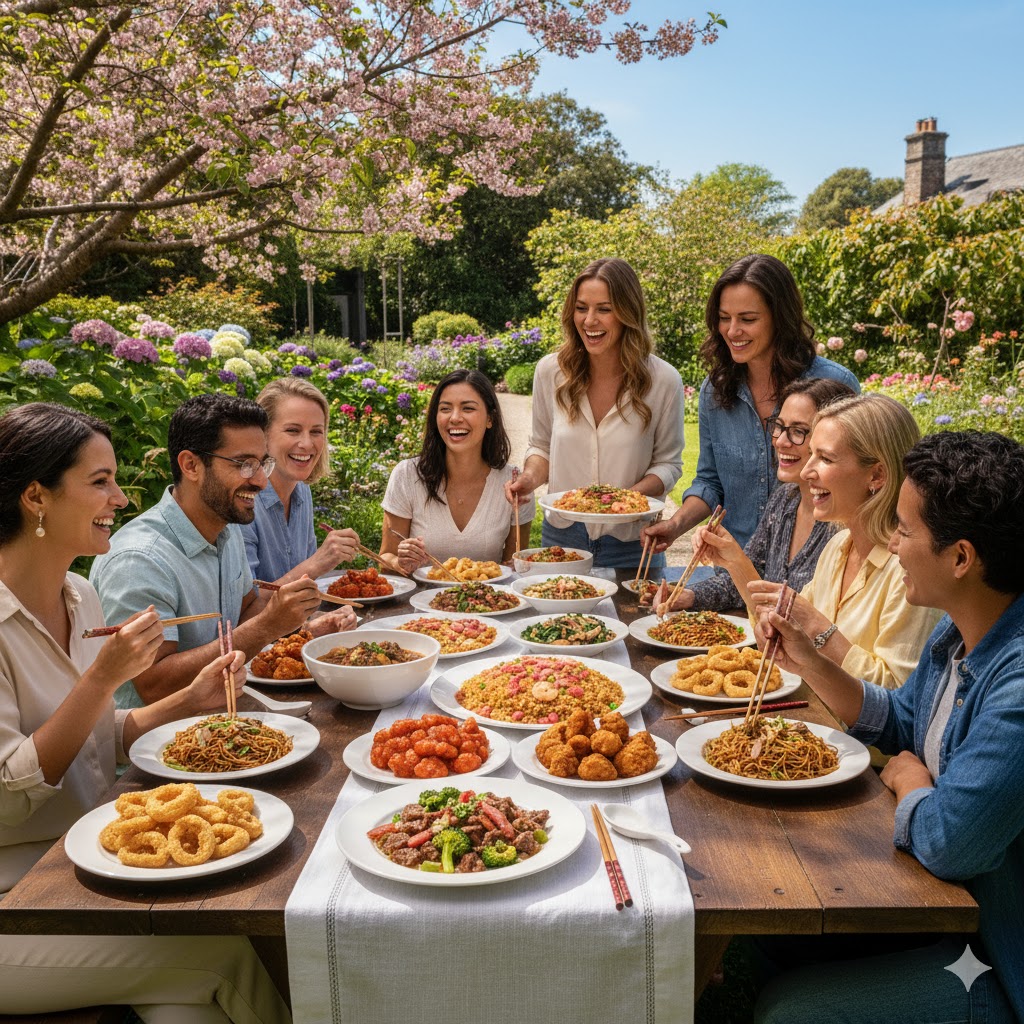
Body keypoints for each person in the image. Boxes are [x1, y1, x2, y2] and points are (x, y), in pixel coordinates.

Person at [0, 402, 290, 1023]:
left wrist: (190, 701)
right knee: (226, 958)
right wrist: (106, 676)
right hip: (20, 899)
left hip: (83, 868)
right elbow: (7, 793)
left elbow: (98, 737)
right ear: (36, 497)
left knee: (186, 1010)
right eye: (100, 482)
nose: (122, 498)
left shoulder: (79, 595)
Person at [754, 430, 1024, 1024]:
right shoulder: (958, 632)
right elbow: (903, 718)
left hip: (998, 956)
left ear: (961, 558)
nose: (893, 545)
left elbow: (954, 843)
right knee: (775, 938)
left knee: (791, 1010)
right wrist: (811, 659)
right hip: (952, 911)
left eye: (904, 530)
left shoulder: (1016, 688)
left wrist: (911, 785)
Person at [91, 393, 355, 708]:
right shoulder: (139, 559)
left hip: (224, 719)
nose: (259, 480)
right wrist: (268, 625)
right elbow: (154, 685)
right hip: (153, 749)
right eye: (244, 464)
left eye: (261, 463)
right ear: (191, 465)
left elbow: (246, 613)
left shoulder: (225, 529)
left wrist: (295, 624)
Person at [642, 254, 859, 558]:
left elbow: (853, 484)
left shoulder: (834, 384)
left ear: (779, 318)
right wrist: (676, 525)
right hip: (734, 569)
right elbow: (710, 481)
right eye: (724, 317)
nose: (732, 331)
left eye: (747, 319)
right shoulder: (715, 391)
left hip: (814, 569)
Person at [746, 393, 940, 691]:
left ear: (877, 475)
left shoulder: (909, 569)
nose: (808, 471)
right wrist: (774, 627)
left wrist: (817, 627)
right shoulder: (838, 546)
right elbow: (793, 635)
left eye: (824, 458)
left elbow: (898, 697)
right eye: (810, 453)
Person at [506, 257, 684, 568]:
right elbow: (541, 446)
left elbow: (668, 464)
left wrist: (621, 501)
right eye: (581, 308)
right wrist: (530, 479)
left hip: (633, 542)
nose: (589, 320)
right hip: (563, 539)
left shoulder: (663, 380)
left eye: (604, 309)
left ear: (627, 313)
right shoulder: (550, 372)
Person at [656, 377, 855, 614]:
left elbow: (817, 621)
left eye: (799, 431)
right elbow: (747, 582)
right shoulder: (785, 500)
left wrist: (736, 561)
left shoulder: (846, 522)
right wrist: (689, 596)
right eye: (779, 426)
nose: (780, 441)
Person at [380, 369, 535, 574]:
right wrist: (400, 562)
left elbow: (515, 567)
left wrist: (518, 567)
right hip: (420, 603)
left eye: (468, 408)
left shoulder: (514, 483)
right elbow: (385, 559)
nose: (454, 418)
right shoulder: (407, 475)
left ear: (490, 419)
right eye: (445, 409)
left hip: (490, 603)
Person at [241, 377, 360, 582]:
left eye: (316, 431)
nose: (306, 443)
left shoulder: (302, 490)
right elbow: (245, 605)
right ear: (263, 435)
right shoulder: (243, 499)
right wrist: (317, 563)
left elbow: (305, 589)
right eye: (293, 430)